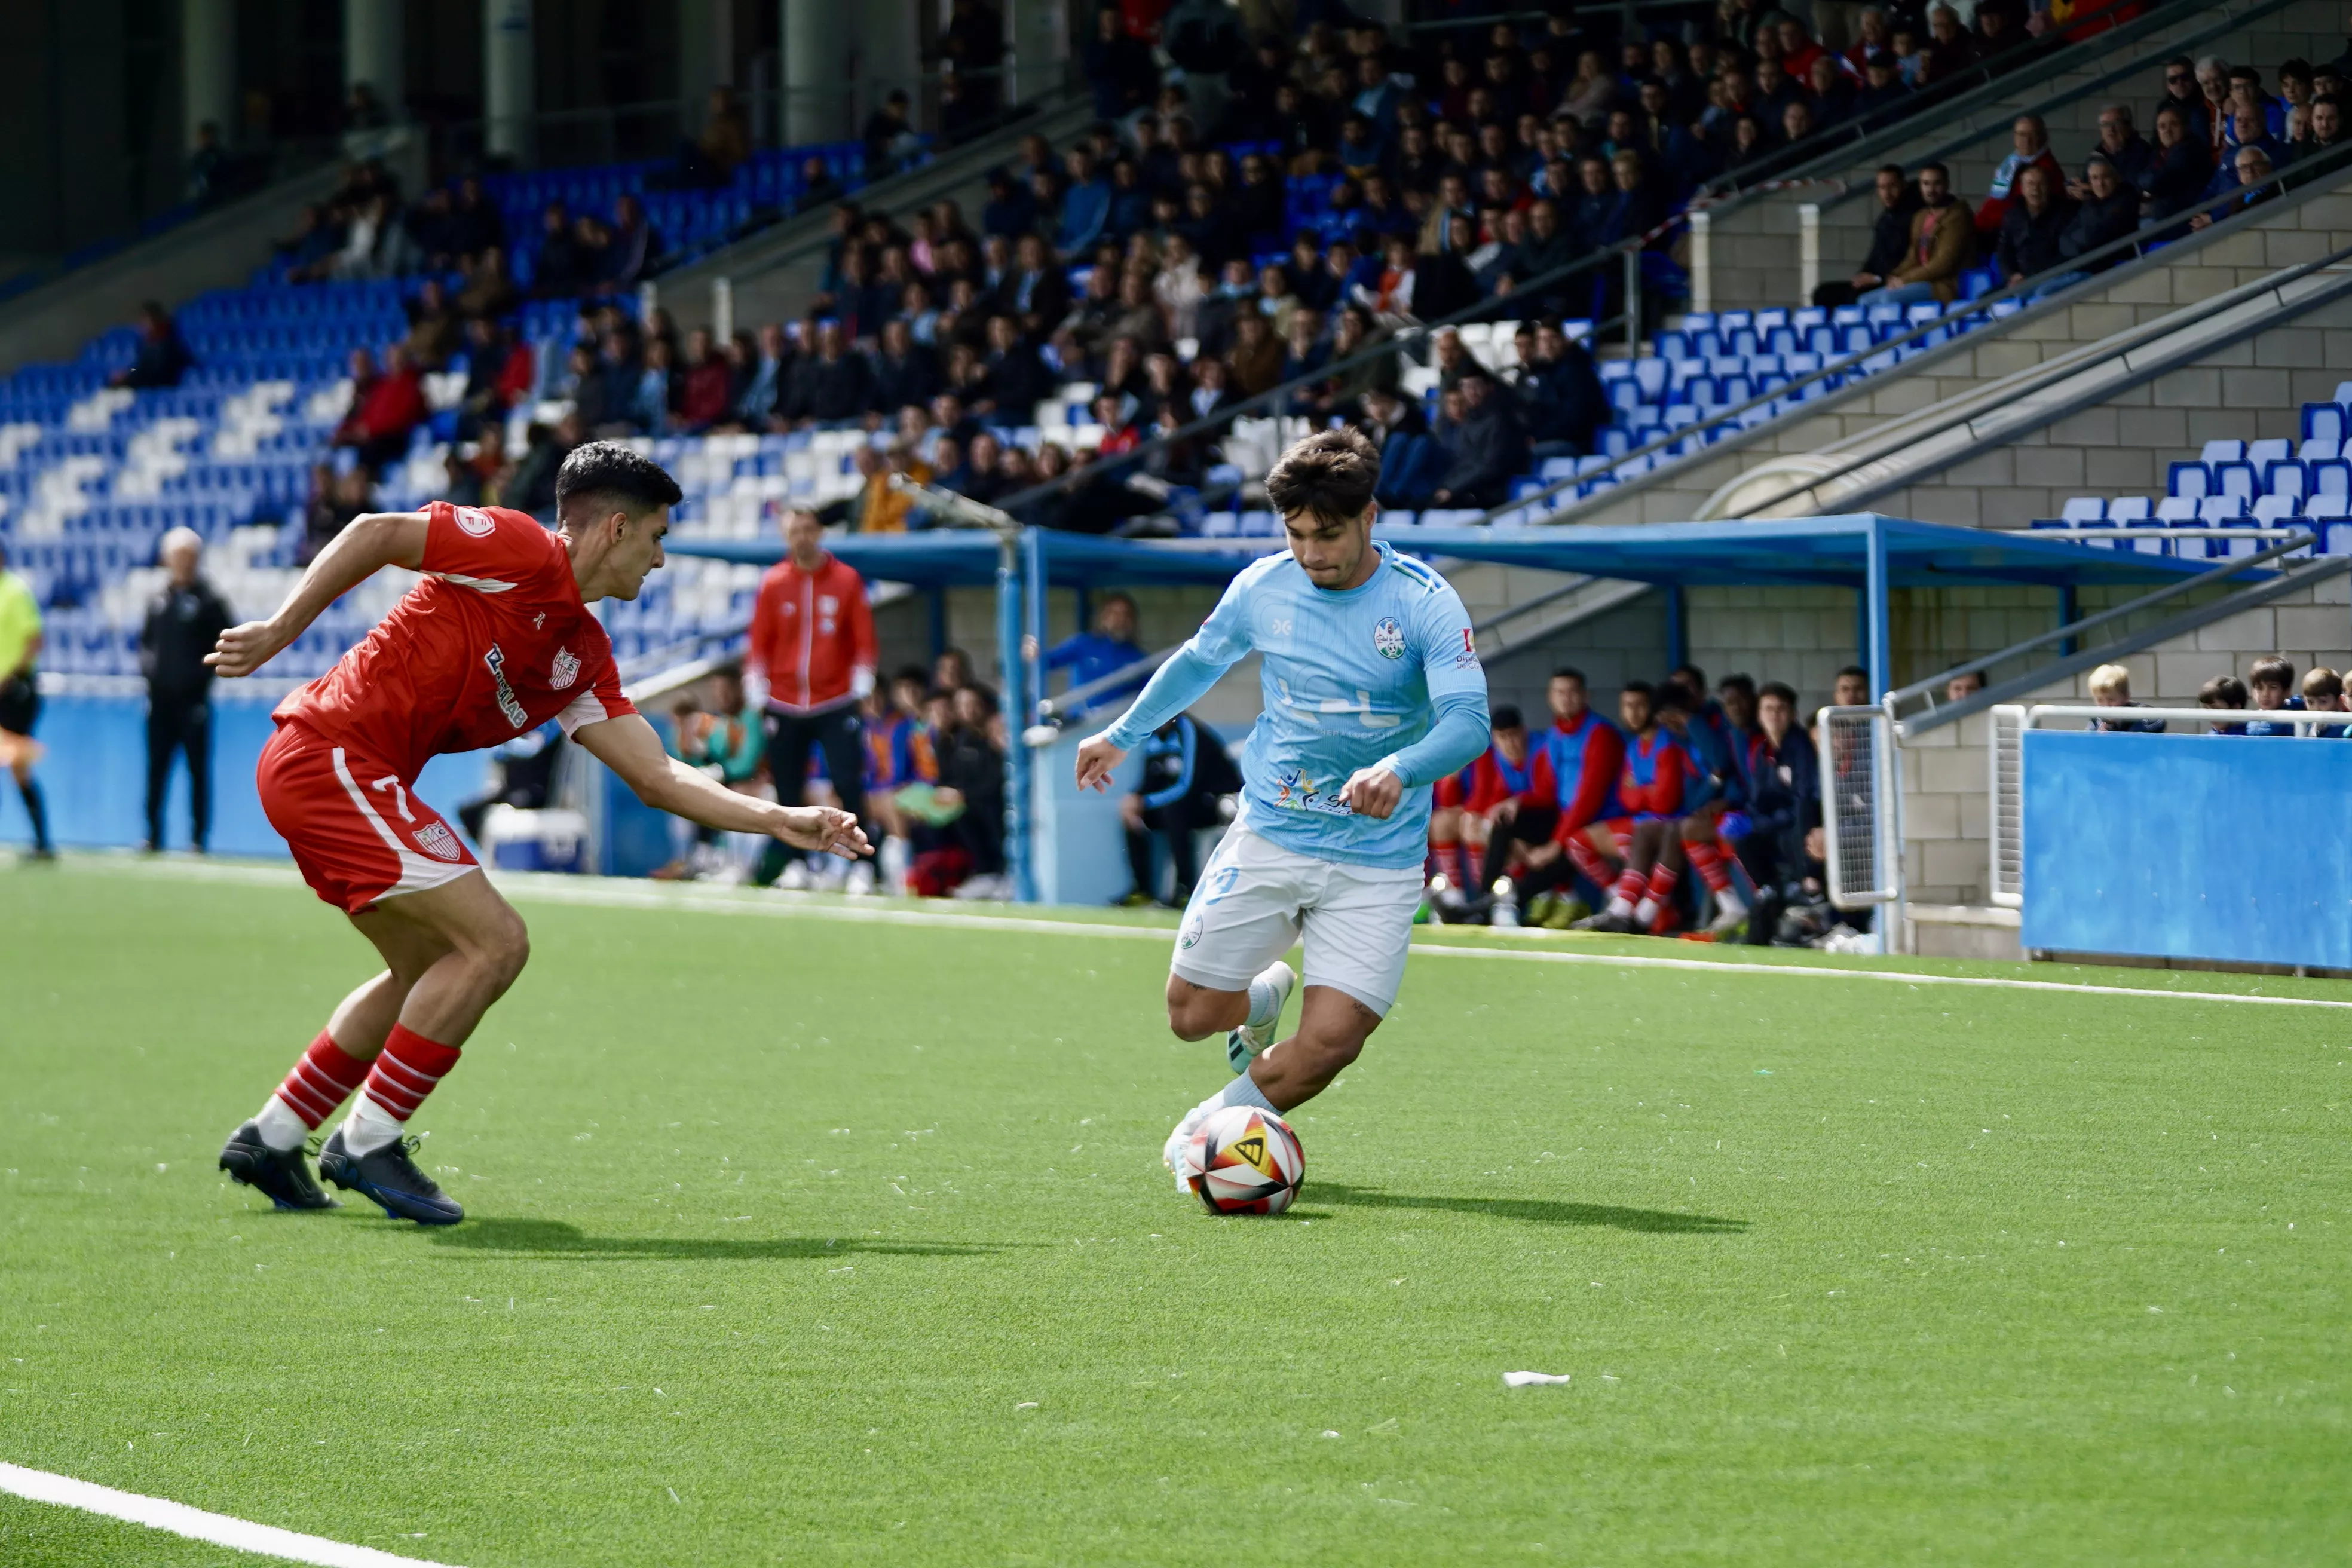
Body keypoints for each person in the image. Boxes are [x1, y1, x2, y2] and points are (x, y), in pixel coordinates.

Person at [210, 446, 868, 1223]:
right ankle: (367, 1141)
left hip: (339, 773)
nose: (660, 560)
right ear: (617, 528)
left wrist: (779, 818)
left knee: (426, 966)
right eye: (657, 537)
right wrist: (279, 630)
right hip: (331, 760)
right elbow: (376, 530)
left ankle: (274, 1135)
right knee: (497, 943)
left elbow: (658, 777)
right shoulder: (520, 549)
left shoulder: (581, 657)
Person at [1072, 428, 1487, 1189]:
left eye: (1326, 534)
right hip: (1274, 831)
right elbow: (1201, 659)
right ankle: (1261, 991)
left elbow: (1469, 720)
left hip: (1376, 859)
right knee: (1191, 1015)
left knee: (1332, 1042)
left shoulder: (1424, 601)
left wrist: (1400, 764)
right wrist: (1121, 733)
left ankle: (1204, 1134)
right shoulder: (1264, 586)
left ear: (1370, 516)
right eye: (1295, 535)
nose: (1310, 552)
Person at [746, 509, 880, 892]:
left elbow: (863, 639)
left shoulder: (846, 580)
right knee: (788, 787)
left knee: (847, 781)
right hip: (784, 701)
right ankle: (797, 864)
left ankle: (863, 865)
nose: (802, 538)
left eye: (808, 530)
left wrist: (862, 687)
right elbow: (760, 642)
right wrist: (758, 692)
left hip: (836, 699)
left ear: (820, 532)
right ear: (786, 537)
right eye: (794, 531)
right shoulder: (773, 583)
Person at [139, 528, 234, 853]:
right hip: (160, 701)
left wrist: (200, 678)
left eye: (189, 556)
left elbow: (226, 644)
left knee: (197, 769)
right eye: (178, 556)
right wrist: (150, 674)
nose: (183, 563)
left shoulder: (209, 601)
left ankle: (197, 838)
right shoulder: (158, 600)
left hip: (193, 701)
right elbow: (146, 644)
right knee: (156, 768)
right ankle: (152, 835)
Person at [1122, 712, 1240, 905]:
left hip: (1214, 804)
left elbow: (1187, 785)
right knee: (1131, 815)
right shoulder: (1153, 736)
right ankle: (1142, 890)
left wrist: (1145, 802)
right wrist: (1135, 800)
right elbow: (1151, 779)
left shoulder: (1189, 730)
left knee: (1173, 813)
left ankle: (1185, 889)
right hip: (1180, 805)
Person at [0, 540, 51, 858]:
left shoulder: (15, 591)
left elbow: (34, 640)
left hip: (14, 692)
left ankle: (41, 841)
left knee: (17, 764)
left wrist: (8, 678)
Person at [1861, 161, 1970, 305]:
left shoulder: (1957, 216)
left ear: (1947, 185)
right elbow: (1913, 257)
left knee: (1887, 299)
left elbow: (1943, 264)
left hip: (1943, 285)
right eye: (1926, 184)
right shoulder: (1921, 216)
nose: (1931, 190)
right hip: (1919, 281)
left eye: (1936, 184)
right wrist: (1893, 277)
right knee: (1864, 301)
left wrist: (1904, 280)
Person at [1817, 165, 1919, 308]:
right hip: (1876, 279)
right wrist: (1862, 275)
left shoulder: (1915, 217)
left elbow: (1909, 258)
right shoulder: (1885, 219)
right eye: (1882, 188)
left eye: (1892, 187)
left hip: (1895, 280)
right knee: (1823, 293)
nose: (1887, 194)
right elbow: (1875, 255)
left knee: (1854, 296)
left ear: (1904, 186)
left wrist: (1877, 278)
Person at [1034, 591, 1149, 717]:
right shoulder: (1083, 644)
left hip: (1116, 726)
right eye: (1114, 613)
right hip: (1080, 724)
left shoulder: (1138, 657)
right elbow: (1049, 662)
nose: (1120, 620)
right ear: (1104, 617)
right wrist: (1034, 653)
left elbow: (1149, 696)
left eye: (1126, 615)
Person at [2087, 663, 2167, 733]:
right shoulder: (2096, 720)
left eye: (2112, 699)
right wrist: (2097, 738)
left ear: (2126, 697)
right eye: (2100, 700)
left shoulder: (2140, 715)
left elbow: (2160, 721)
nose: (2106, 705)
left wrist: (2132, 733)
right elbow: (2086, 743)